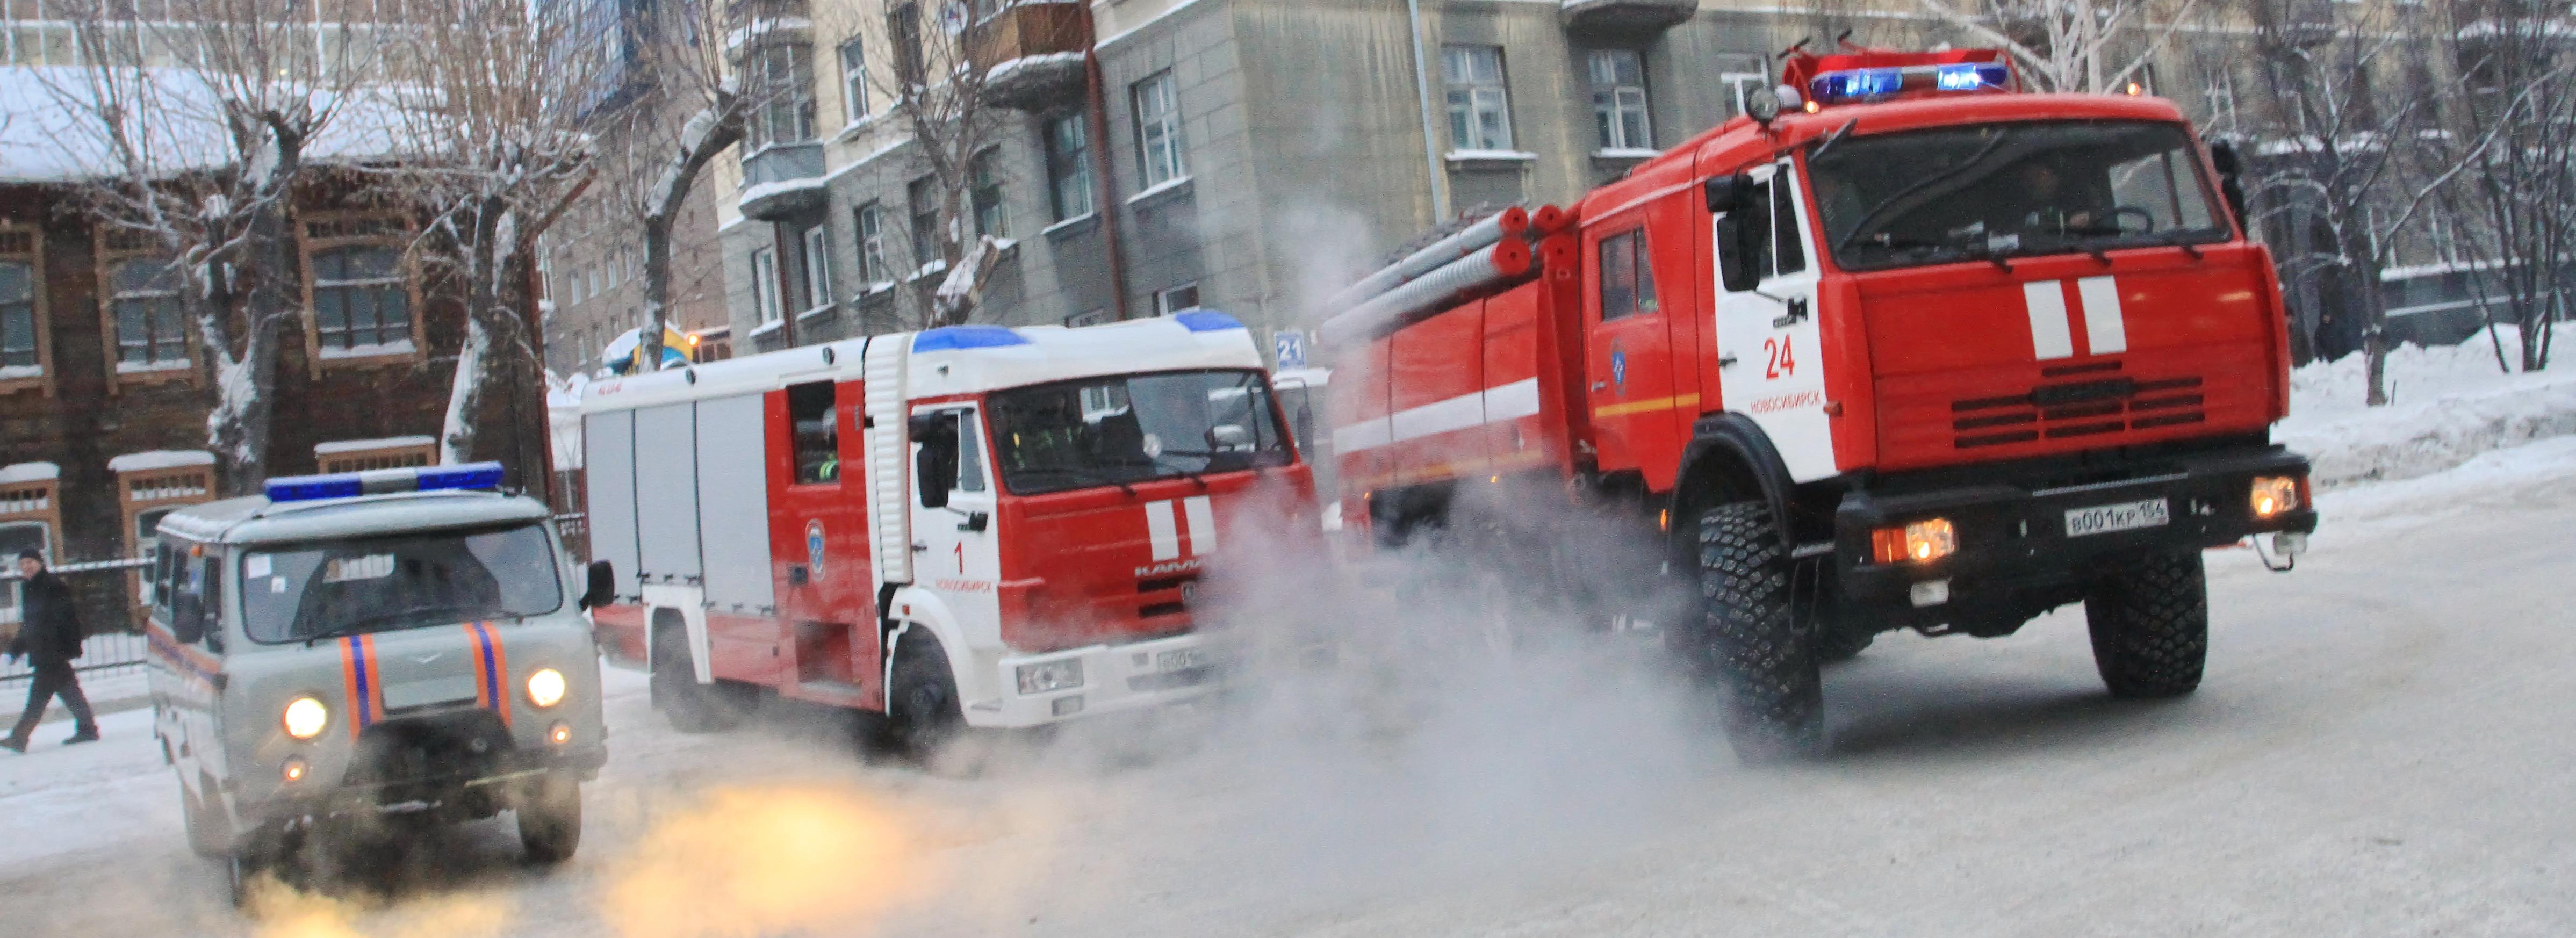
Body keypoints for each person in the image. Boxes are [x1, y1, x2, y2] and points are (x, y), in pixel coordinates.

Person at [4, 550, 99, 753]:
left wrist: (65, 647)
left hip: (52, 650)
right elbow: (30, 624)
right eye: (23, 564)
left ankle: (19, 737)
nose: (27, 567)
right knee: (68, 692)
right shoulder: (29, 587)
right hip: (43, 650)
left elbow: (67, 619)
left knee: (39, 697)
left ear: (40, 563)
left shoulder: (53, 586)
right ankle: (88, 728)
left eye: (30, 562)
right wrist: (16, 649)